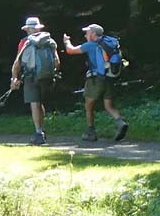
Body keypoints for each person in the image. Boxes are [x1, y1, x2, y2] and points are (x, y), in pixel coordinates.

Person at [62, 23, 128, 142]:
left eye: (87, 32)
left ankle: (90, 132)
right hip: (110, 78)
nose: (86, 34)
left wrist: (66, 41)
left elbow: (70, 50)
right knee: (108, 105)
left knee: (89, 105)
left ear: (93, 34)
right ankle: (121, 122)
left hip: (96, 79)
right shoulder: (109, 43)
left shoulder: (91, 45)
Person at [9, 15, 59, 145]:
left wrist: (14, 78)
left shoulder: (25, 42)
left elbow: (17, 62)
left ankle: (38, 132)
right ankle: (41, 130)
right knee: (40, 102)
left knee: (34, 103)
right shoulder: (50, 41)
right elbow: (57, 61)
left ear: (27, 29)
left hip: (31, 77)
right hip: (47, 77)